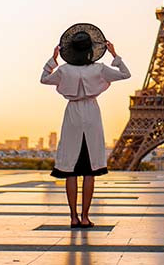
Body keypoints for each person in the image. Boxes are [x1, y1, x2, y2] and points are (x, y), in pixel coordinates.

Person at [40, 31, 131, 228]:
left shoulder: (64, 70)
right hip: (91, 113)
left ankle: (73, 217)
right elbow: (125, 74)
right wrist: (114, 54)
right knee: (89, 171)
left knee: (70, 171)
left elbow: (44, 79)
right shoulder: (98, 69)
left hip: (72, 115)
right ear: (92, 50)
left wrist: (53, 59)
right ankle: (85, 217)